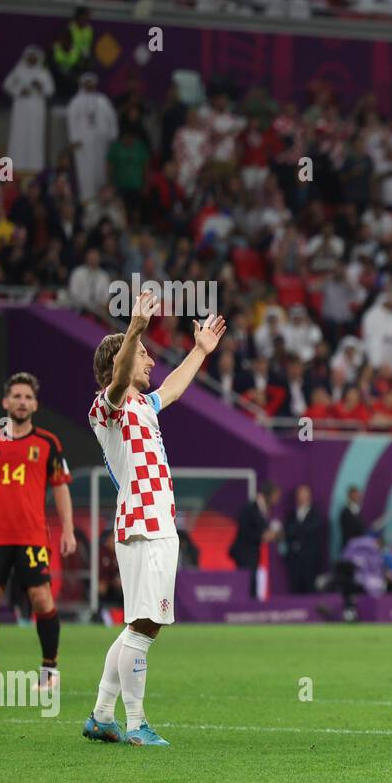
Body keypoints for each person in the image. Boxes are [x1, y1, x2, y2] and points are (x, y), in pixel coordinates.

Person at [82, 289, 226, 746]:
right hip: (143, 523)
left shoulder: (144, 405)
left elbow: (173, 388)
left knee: (137, 624)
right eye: (144, 354)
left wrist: (199, 352)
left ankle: (103, 715)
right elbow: (122, 374)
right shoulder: (109, 406)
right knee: (146, 625)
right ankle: (138, 723)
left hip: (154, 523)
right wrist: (135, 328)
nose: (150, 361)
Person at [0, 372, 74, 691]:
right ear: (5, 402)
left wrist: (67, 530)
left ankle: (49, 671)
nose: (22, 402)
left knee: (41, 599)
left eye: (28, 397)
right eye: (17, 396)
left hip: (32, 537)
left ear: (35, 405)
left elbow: (61, 488)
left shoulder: (48, 443)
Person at [3, 46, 54, 176]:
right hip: (21, 109)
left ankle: (35, 168)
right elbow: (7, 85)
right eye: (30, 57)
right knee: (18, 136)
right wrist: (19, 91)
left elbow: (50, 91)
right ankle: (12, 169)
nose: (32, 59)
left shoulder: (43, 73)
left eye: (34, 57)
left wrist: (41, 86)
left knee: (35, 137)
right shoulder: (18, 71)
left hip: (37, 111)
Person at [66, 72, 117, 203]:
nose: (89, 85)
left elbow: (112, 118)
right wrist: (73, 140)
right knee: (85, 172)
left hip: (101, 143)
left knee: (101, 170)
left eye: (91, 83)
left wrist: (113, 136)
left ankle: (102, 198)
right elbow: (71, 120)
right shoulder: (76, 102)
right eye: (87, 83)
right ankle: (87, 199)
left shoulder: (103, 100)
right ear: (82, 84)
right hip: (82, 144)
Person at [229, 481, 281, 598]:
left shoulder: (263, 509)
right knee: (246, 585)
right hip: (244, 553)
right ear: (268, 495)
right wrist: (262, 536)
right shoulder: (250, 508)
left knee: (253, 583)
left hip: (253, 553)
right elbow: (244, 529)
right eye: (275, 496)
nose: (277, 500)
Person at [283, 484, 324, 594]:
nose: (300, 497)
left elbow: (310, 529)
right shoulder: (291, 514)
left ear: (308, 496)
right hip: (294, 558)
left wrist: (294, 530)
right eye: (299, 495)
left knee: (309, 587)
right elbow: (287, 531)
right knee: (295, 588)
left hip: (310, 559)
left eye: (303, 494)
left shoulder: (315, 514)